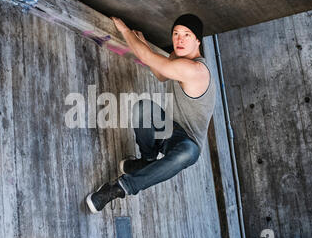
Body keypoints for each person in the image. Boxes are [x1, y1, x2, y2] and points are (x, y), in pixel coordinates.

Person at [86, 14, 216, 213]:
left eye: (187, 35)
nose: (179, 39)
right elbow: (161, 74)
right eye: (176, 33)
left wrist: (125, 30)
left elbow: (148, 58)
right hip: (171, 130)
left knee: (186, 153)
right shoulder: (177, 56)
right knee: (143, 108)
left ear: (198, 40)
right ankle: (146, 160)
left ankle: (118, 189)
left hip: (188, 144)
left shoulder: (196, 70)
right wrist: (143, 44)